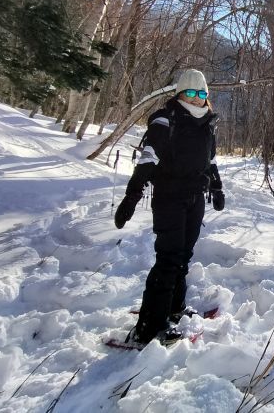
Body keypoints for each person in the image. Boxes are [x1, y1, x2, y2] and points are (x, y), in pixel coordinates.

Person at [113, 69, 225, 345]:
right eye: (191, 92)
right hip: (169, 198)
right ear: (179, 93)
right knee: (168, 260)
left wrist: (217, 187)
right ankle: (148, 327)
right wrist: (132, 195)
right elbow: (148, 161)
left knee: (184, 257)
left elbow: (209, 161)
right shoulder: (165, 121)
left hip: (194, 199)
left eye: (202, 94)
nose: (197, 98)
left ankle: (173, 309)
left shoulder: (207, 124)